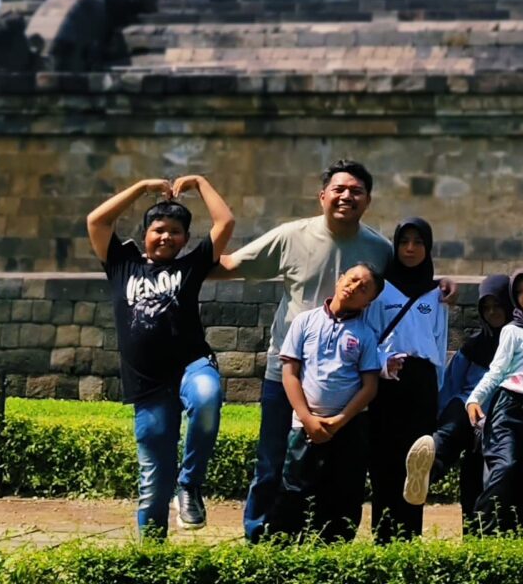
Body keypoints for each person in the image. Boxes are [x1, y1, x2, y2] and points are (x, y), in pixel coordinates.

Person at [219, 160, 394, 542]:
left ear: (368, 200)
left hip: (346, 377)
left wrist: (442, 284)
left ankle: (324, 544)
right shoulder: (291, 236)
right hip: (289, 372)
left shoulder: (380, 250)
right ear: (322, 196)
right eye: (339, 189)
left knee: (340, 471)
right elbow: (232, 264)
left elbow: (409, 284)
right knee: (273, 462)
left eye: (356, 191)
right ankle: (260, 538)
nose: (347, 196)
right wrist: (172, 268)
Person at [85, 173, 233, 539]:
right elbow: (96, 221)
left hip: (191, 366)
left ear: (185, 239)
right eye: (158, 229)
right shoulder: (121, 264)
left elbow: (225, 222)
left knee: (207, 397)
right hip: (147, 385)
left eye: (175, 231)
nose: (166, 236)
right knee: (153, 480)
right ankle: (151, 557)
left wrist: (200, 182)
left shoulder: (191, 266)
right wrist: (141, 189)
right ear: (146, 233)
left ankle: (191, 485)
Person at [266, 262, 386, 543]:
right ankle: (281, 554)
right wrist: (307, 418)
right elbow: (290, 374)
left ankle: (332, 559)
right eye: (353, 279)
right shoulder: (305, 321)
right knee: (293, 492)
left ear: (370, 301)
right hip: (304, 426)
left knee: (343, 495)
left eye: (364, 288)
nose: (354, 287)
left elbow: (369, 387)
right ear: (340, 279)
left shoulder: (366, 335)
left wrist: (338, 422)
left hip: (348, 428)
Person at [367, 219, 455, 544]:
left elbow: (438, 340)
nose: (410, 248)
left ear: (427, 248)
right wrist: (380, 365)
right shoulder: (380, 289)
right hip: (388, 380)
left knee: (416, 463)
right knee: (384, 464)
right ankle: (382, 538)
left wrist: (438, 392)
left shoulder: (436, 294)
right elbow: (370, 336)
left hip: (421, 384)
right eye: (404, 241)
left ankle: (409, 540)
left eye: (418, 242)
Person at [407, 272, 511, 531]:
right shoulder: (474, 346)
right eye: (486, 307)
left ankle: (476, 542)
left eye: (498, 305)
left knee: (475, 483)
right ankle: (427, 470)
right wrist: (442, 412)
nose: (492, 312)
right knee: (451, 427)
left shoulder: (522, 343)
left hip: (497, 415)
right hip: (466, 409)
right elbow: (452, 382)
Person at [460, 267, 523, 536]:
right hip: (508, 406)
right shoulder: (512, 330)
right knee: (505, 467)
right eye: (519, 292)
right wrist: (475, 399)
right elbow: (497, 370)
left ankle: (517, 548)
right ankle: (482, 533)